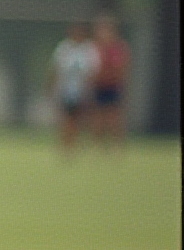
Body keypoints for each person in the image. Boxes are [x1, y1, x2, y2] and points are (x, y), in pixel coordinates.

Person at [47, 22, 100, 150]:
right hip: (66, 90)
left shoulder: (89, 49)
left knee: (81, 119)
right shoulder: (64, 48)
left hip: (82, 90)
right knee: (66, 118)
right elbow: (56, 69)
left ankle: (79, 144)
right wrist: (51, 87)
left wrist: (89, 89)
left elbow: (93, 71)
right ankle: (66, 145)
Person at [91, 15, 130, 144]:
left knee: (114, 117)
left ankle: (116, 145)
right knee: (98, 117)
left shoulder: (117, 48)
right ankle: (98, 145)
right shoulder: (94, 47)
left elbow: (121, 68)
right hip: (98, 85)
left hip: (113, 86)